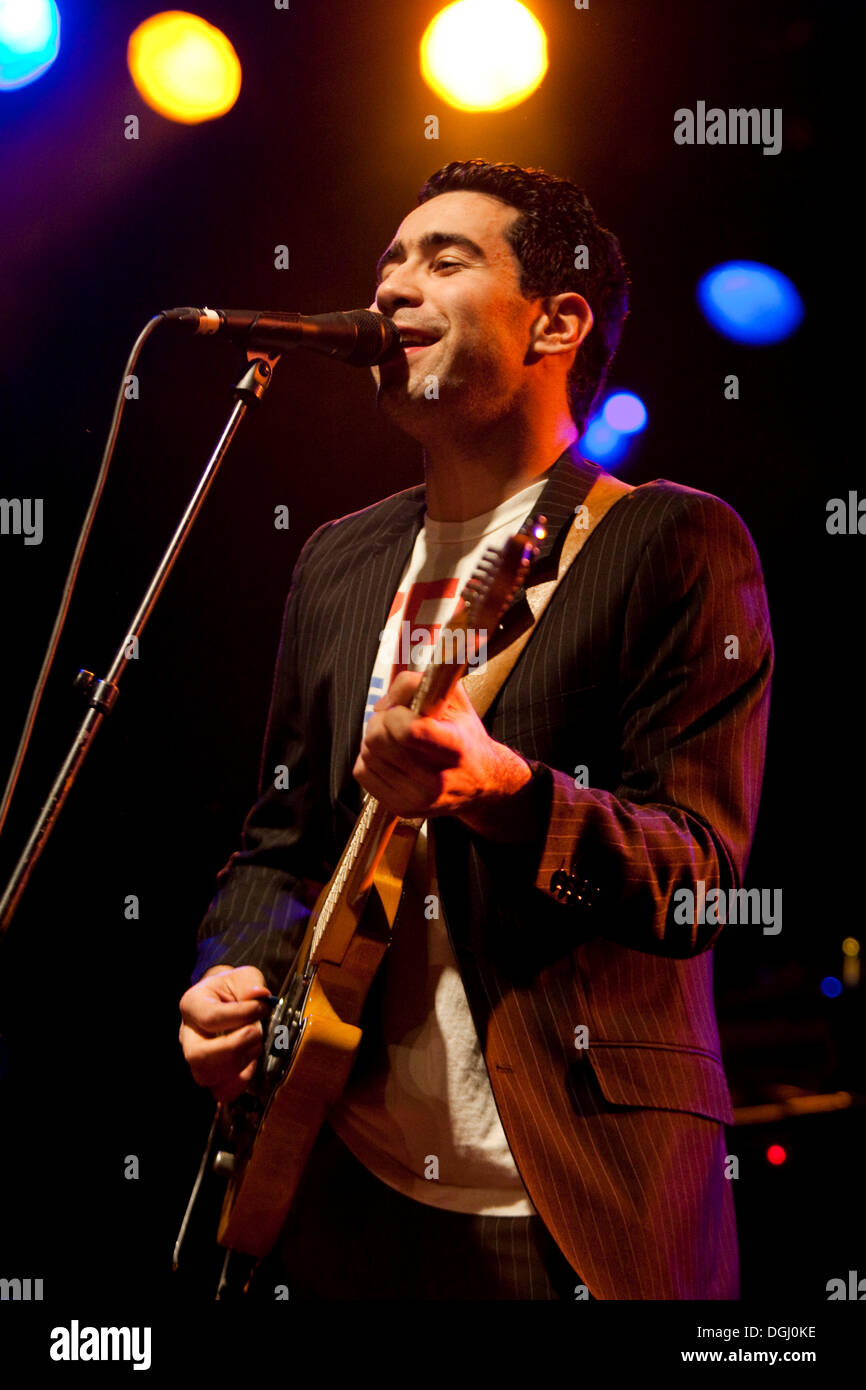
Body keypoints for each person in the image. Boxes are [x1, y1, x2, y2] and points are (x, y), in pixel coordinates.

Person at [178, 160, 773, 1300]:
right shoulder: (339, 559)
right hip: (336, 1169)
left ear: (554, 320)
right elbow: (282, 839)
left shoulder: (667, 543)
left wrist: (503, 789)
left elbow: (701, 880)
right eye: (388, 261)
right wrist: (229, 971)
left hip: (558, 1194)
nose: (395, 287)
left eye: (444, 259)